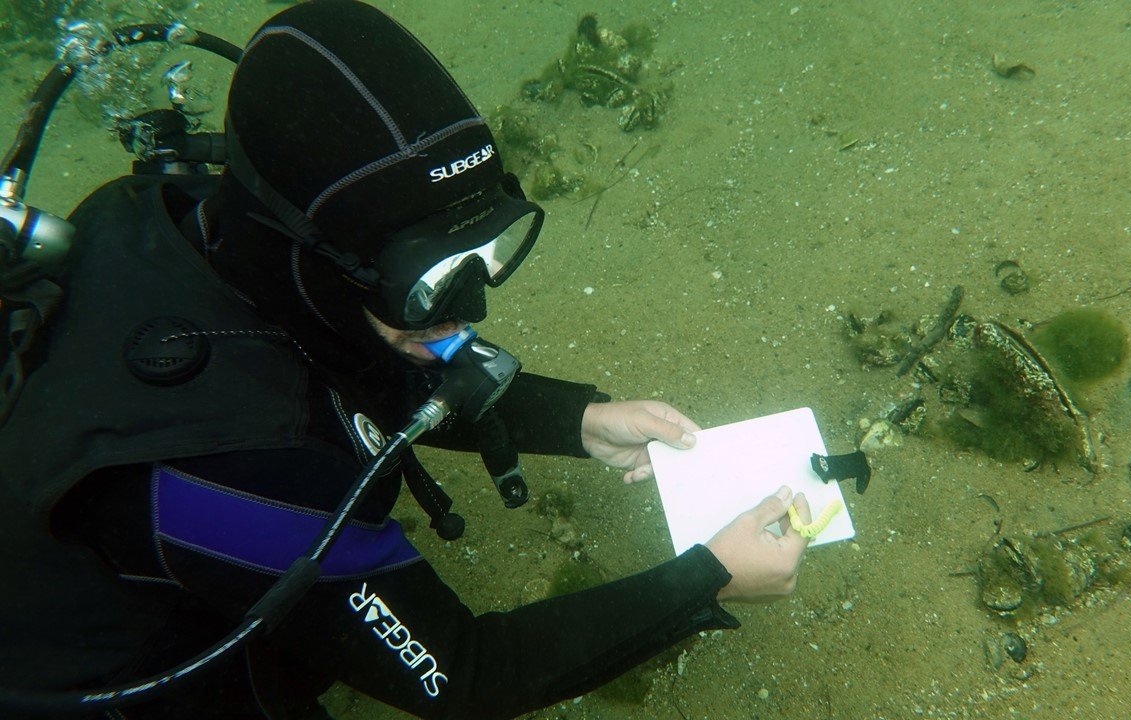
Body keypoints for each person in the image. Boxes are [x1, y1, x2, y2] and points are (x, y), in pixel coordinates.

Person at [0, 1, 812, 718]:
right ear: (307, 260)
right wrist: (707, 579)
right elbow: (462, 675)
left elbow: (358, 355)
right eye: (423, 283)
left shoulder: (174, 216)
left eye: (486, 252)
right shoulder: (237, 475)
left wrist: (577, 419)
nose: (470, 310)